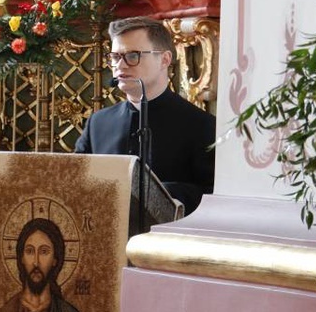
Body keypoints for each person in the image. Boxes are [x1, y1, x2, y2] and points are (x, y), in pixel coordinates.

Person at [75, 17, 216, 214]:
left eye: (133, 56)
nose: (121, 66)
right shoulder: (98, 123)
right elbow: (74, 181)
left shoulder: (201, 125)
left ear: (165, 59)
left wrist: (160, 194)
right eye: (115, 57)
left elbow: (214, 195)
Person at [0, 218, 88, 312]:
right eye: (30, 251)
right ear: (21, 258)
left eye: (44, 251)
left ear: (55, 259)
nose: (36, 262)